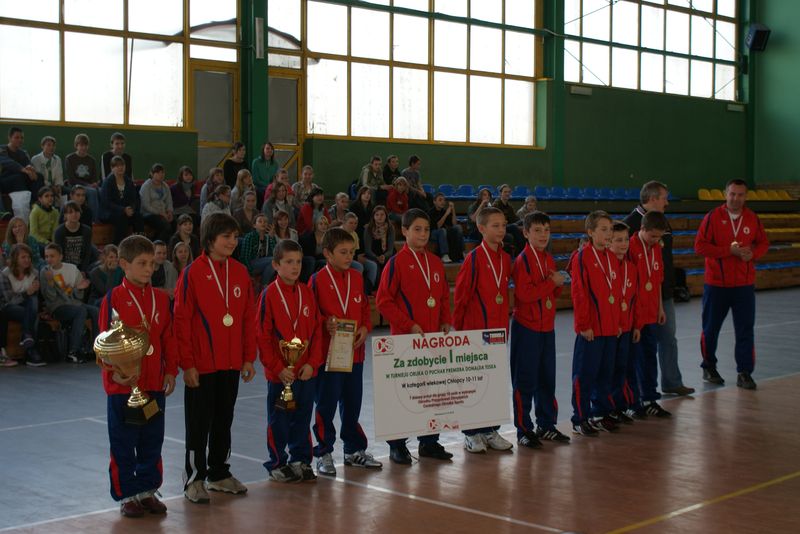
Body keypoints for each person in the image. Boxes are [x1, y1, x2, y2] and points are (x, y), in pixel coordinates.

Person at [173, 213, 257, 503]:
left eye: (235, 237)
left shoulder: (240, 272)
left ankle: (219, 473)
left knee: (224, 420)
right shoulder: (192, 273)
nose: (232, 242)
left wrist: (248, 357)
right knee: (198, 423)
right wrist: (187, 364)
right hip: (202, 364)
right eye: (226, 237)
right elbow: (181, 320)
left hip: (231, 363)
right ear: (210, 240)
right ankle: (194, 478)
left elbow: (247, 318)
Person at [97, 235, 177, 518]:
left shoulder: (160, 299)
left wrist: (170, 370)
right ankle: (127, 495)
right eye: (142, 263)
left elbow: (168, 337)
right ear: (124, 264)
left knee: (151, 440)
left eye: (152, 264)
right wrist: (114, 375)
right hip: (124, 387)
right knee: (123, 443)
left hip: (153, 383)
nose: (148, 269)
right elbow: (105, 343)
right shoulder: (114, 298)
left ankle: (147, 490)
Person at [376, 209, 453, 464]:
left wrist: (445, 320)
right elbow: (383, 302)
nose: (423, 234)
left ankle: (429, 442)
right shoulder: (396, 263)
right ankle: (397, 445)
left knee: (431, 392)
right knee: (403, 394)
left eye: (426, 229)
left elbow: (443, 296)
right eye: (417, 229)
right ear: (404, 231)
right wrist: (408, 325)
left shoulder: (435, 262)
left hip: (432, 340)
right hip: (405, 341)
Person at [309, 228, 381, 476]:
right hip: (328, 355)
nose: (349, 256)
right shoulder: (317, 280)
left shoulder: (357, 278)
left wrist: (365, 327)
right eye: (343, 252)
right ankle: (323, 452)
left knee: (352, 403)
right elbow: (310, 314)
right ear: (327, 253)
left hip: (355, 353)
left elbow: (364, 310)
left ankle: (353, 449)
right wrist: (324, 323)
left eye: (351, 252)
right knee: (326, 405)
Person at [257, 239, 323, 483]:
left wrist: (312, 363)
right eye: (288, 262)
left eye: (298, 262)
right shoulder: (269, 295)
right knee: (280, 420)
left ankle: (300, 460)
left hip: (305, 371)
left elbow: (316, 332)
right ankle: (277, 462)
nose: (295, 267)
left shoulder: (307, 292)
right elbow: (262, 337)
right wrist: (277, 368)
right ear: (276, 265)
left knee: (303, 416)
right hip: (281, 375)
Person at [695, 179, 769, 390]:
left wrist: (753, 254)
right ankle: (709, 366)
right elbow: (699, 246)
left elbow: (763, 243)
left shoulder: (752, 218)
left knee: (745, 330)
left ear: (746, 196)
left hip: (744, 285)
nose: (736, 198)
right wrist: (728, 251)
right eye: (732, 194)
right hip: (716, 285)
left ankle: (744, 372)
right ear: (725, 194)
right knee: (710, 329)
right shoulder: (712, 217)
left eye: (740, 195)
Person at [623, 181, 695, 396]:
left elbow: (664, 261)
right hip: (638, 298)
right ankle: (640, 389)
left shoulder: (663, 223)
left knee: (668, 337)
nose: (667, 202)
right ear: (653, 198)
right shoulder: (629, 225)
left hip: (661, 291)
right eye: (664, 198)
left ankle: (671, 381)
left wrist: (668, 288)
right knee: (642, 344)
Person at [452, 206, 514, 453]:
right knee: (474, 383)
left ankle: (489, 429)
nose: (501, 230)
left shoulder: (505, 258)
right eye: (495, 225)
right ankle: (471, 433)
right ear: (481, 228)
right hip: (475, 332)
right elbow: (461, 296)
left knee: (494, 382)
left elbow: (502, 296)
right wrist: (460, 331)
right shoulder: (474, 258)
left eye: (503, 225)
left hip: (497, 332)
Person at [510, 211, 570, 447]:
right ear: (526, 233)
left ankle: (546, 425)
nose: (543, 235)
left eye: (546, 230)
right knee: (525, 380)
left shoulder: (548, 258)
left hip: (547, 328)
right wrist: (551, 283)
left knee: (547, 379)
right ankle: (523, 429)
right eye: (537, 230)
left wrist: (557, 285)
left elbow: (551, 293)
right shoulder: (522, 261)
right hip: (527, 328)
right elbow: (525, 295)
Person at [569, 211, 623, 436]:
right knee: (585, 374)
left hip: (610, 327)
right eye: (603, 229)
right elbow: (579, 293)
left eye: (610, 229)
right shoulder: (582, 257)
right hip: (591, 329)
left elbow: (616, 293)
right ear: (590, 232)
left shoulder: (611, 257)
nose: (608, 233)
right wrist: (584, 325)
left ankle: (601, 413)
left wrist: (617, 322)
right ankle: (580, 418)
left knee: (605, 373)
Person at [628, 212, 672, 417]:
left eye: (659, 236)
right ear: (642, 229)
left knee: (650, 356)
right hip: (635, 314)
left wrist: (660, 308)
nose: (656, 240)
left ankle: (650, 398)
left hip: (652, 312)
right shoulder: (630, 247)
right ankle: (634, 401)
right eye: (653, 235)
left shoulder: (656, 248)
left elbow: (657, 280)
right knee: (635, 359)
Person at [40, 243, 99, 363]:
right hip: (57, 306)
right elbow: (50, 298)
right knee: (81, 311)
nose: (49, 259)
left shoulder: (72, 269)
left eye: (52, 256)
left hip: (74, 303)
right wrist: (50, 283)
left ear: (60, 256)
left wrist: (79, 289)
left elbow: (78, 296)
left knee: (95, 311)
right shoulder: (45, 272)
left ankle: (95, 349)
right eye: (46, 256)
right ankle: (73, 351)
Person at [607, 222, 640, 424]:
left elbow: (634, 300)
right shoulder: (606, 267)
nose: (623, 244)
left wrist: (637, 325)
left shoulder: (631, 268)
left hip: (627, 327)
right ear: (609, 242)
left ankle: (619, 406)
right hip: (610, 328)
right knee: (608, 369)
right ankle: (607, 407)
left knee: (622, 368)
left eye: (626, 239)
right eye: (618, 240)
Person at [1, 244, 44, 366]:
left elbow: (36, 299)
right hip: (8, 307)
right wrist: (26, 293)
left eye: (29, 257)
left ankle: (27, 337)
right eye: (23, 257)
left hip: (28, 307)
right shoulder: (5, 274)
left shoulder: (34, 273)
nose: (27, 260)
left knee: (33, 301)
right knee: (32, 313)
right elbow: (9, 300)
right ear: (15, 258)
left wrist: (34, 291)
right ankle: (31, 351)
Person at [100, 156, 143, 245]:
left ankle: (138, 244)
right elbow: (106, 202)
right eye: (117, 166)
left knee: (138, 217)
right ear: (112, 168)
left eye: (122, 165)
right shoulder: (108, 182)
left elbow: (134, 198)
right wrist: (123, 209)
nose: (120, 167)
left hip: (126, 211)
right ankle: (118, 245)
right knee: (122, 219)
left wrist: (131, 209)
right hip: (110, 212)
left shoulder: (128, 181)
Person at [65, 134, 100, 222]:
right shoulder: (69, 158)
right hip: (75, 185)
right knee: (92, 192)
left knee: (102, 191)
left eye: (85, 145)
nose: (83, 147)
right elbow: (71, 179)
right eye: (81, 145)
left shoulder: (91, 160)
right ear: (76, 146)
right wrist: (88, 185)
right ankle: (94, 220)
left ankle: (103, 217)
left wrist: (94, 183)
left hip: (89, 185)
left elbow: (94, 177)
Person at [0, 126, 43, 196]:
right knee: (19, 178)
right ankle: (24, 201)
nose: (20, 140)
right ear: (9, 138)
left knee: (39, 176)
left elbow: (28, 163)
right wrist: (23, 169)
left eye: (22, 138)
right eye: (17, 137)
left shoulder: (23, 153)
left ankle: (37, 200)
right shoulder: (2, 149)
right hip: (5, 180)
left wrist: (31, 169)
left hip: (20, 177)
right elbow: (8, 162)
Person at [54, 201, 95, 273]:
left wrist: (83, 270)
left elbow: (87, 253)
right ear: (65, 215)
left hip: (81, 266)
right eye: (70, 212)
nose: (74, 214)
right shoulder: (59, 231)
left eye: (77, 211)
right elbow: (59, 254)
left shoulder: (87, 230)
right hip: (65, 266)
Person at [139, 163, 174, 243]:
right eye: (158, 173)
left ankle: (167, 245)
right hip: (149, 214)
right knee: (166, 227)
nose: (161, 175)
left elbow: (169, 201)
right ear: (152, 174)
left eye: (162, 172)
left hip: (163, 213)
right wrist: (160, 213)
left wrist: (169, 212)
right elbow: (146, 205)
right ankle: (155, 245)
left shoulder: (165, 186)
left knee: (175, 223)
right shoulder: (146, 186)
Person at [343, 212, 378, 294]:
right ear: (344, 222)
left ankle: (367, 291)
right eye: (351, 223)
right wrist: (356, 258)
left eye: (355, 223)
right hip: (343, 259)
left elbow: (356, 250)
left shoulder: (354, 234)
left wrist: (359, 257)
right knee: (359, 266)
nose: (353, 225)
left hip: (353, 257)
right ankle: (355, 291)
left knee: (372, 265)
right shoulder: (339, 233)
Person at [239, 213, 277, 285]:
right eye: (260, 221)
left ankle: (264, 285)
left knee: (273, 262)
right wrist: (249, 272)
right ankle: (264, 285)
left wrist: (271, 238)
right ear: (254, 225)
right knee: (273, 260)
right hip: (251, 264)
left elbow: (273, 253)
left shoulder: (268, 237)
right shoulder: (250, 236)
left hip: (264, 264)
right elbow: (245, 257)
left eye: (265, 222)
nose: (263, 223)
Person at [428, 192, 464, 263]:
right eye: (440, 200)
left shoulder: (444, 211)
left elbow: (454, 224)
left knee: (458, 227)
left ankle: (462, 252)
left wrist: (453, 210)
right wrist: (446, 214)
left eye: (444, 200)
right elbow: (437, 226)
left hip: (443, 232)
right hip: (433, 233)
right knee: (442, 230)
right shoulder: (430, 212)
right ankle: (444, 255)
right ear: (434, 202)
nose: (443, 202)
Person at [363, 205, 395, 282]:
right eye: (377, 215)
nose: (379, 217)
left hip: (387, 254)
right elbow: (367, 250)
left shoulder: (390, 228)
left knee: (391, 268)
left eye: (382, 214)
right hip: (373, 255)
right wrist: (377, 258)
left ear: (386, 216)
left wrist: (384, 256)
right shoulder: (368, 228)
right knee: (378, 273)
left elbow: (390, 249)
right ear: (373, 216)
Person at [30, 136, 64, 206]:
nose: (51, 147)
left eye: (53, 145)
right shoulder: (36, 159)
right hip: (41, 185)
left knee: (69, 192)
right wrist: (51, 186)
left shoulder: (57, 159)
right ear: (42, 146)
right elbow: (39, 177)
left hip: (55, 185)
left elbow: (59, 175)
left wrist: (58, 186)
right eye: (48, 145)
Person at [492, 184, 526, 255]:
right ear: (500, 193)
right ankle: (523, 251)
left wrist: (521, 224)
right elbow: (494, 219)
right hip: (500, 226)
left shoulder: (509, 206)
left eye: (509, 192)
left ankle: (523, 250)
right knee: (514, 227)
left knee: (523, 221)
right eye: (505, 192)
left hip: (509, 225)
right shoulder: (496, 204)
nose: (507, 194)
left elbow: (515, 218)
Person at [299, 216, 330, 282]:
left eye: (325, 224)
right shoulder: (309, 237)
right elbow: (308, 253)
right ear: (316, 225)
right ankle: (307, 282)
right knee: (311, 260)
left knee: (325, 262)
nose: (323, 226)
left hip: (320, 259)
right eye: (321, 224)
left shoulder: (328, 238)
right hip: (308, 258)